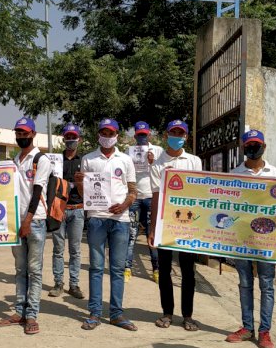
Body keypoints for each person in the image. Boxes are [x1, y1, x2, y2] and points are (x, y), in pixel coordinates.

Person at [224, 130, 276, 348]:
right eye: (249, 144)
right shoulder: (235, 173)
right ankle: (247, 327)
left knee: (266, 285)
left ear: (264, 147)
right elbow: (227, 205)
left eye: (256, 144)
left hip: (267, 239)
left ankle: (265, 331)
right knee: (245, 283)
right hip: (241, 238)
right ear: (243, 148)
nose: (253, 148)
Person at [76, 119, 138, 331]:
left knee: (117, 269)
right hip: (96, 218)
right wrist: (78, 183)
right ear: (98, 135)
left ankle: (116, 314)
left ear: (117, 136)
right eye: (103, 132)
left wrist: (124, 206)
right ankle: (94, 313)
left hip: (120, 220)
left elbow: (133, 191)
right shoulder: (88, 159)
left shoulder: (126, 160)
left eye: (110, 133)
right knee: (95, 267)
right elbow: (84, 193)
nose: (107, 136)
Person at [0, 118, 51, 335]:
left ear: (33, 134)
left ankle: (32, 315)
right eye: (18, 133)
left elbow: (37, 192)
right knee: (20, 269)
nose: (21, 136)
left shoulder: (41, 159)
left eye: (24, 133)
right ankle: (19, 311)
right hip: (15, 222)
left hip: (34, 220)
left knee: (34, 270)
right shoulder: (15, 160)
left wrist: (27, 220)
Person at [149, 120, 203, 331]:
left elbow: (200, 193)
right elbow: (155, 196)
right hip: (165, 223)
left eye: (181, 133)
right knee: (164, 270)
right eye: (173, 132)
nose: (177, 135)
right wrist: (153, 227)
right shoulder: (158, 164)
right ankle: (167, 313)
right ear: (166, 135)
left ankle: (187, 315)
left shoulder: (194, 161)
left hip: (188, 224)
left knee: (188, 271)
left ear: (186, 136)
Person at [49, 123, 85, 299]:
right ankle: (58, 283)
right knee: (58, 248)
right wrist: (56, 207)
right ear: (63, 139)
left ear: (79, 139)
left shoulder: (84, 161)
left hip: (77, 210)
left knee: (75, 250)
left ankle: (74, 284)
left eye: (74, 137)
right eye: (68, 137)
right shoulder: (55, 160)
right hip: (58, 210)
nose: (71, 140)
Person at [126, 121, 163, 283]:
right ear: (135, 136)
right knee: (131, 233)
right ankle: (127, 268)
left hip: (151, 196)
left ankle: (156, 269)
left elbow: (164, 173)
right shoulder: (129, 152)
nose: (142, 137)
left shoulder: (159, 151)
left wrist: (153, 163)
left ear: (150, 135)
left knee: (152, 234)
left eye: (144, 134)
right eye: (139, 134)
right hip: (135, 197)